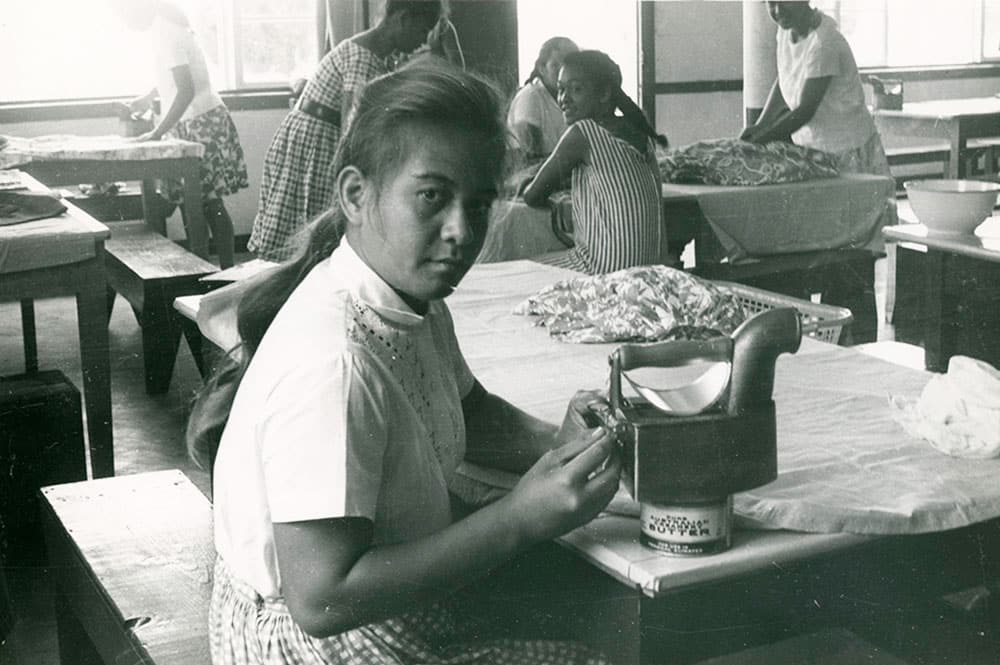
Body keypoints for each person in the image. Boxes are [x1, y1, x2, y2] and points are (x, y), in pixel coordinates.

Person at [190, 61, 620, 665]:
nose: (461, 231)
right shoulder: (335, 363)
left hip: (364, 606)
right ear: (356, 196)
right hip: (314, 644)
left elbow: (472, 410)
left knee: (596, 601)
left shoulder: (408, 293)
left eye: (479, 203)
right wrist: (520, 519)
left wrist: (562, 442)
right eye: (432, 197)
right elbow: (321, 600)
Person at [249, 0, 459, 262]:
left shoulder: (377, 55)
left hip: (315, 135)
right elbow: (353, 127)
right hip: (314, 142)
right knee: (298, 233)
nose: (422, 40)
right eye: (421, 30)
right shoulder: (363, 57)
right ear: (402, 19)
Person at [113, 0, 249, 269]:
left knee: (206, 204)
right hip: (197, 121)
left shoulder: (167, 33)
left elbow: (185, 90)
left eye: (125, 15)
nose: (126, 23)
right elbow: (175, 77)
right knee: (198, 203)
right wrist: (148, 97)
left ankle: (224, 271)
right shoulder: (168, 27)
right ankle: (213, 269)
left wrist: (156, 133)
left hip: (199, 123)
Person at [522, 50, 669, 275]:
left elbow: (532, 196)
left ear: (604, 94)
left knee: (521, 270)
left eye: (576, 89)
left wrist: (526, 183)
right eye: (561, 89)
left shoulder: (583, 133)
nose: (564, 99)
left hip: (602, 270)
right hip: (650, 273)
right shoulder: (640, 134)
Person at [740, 1, 891, 177]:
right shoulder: (785, 31)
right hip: (813, 145)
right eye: (771, 3)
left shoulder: (823, 42)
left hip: (846, 148)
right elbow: (786, 79)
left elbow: (805, 110)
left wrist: (761, 140)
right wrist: (761, 125)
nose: (778, 10)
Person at [507, 37, 579, 162]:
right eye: (556, 65)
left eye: (570, 65)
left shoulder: (573, 100)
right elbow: (528, 158)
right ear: (542, 68)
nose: (563, 72)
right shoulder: (530, 96)